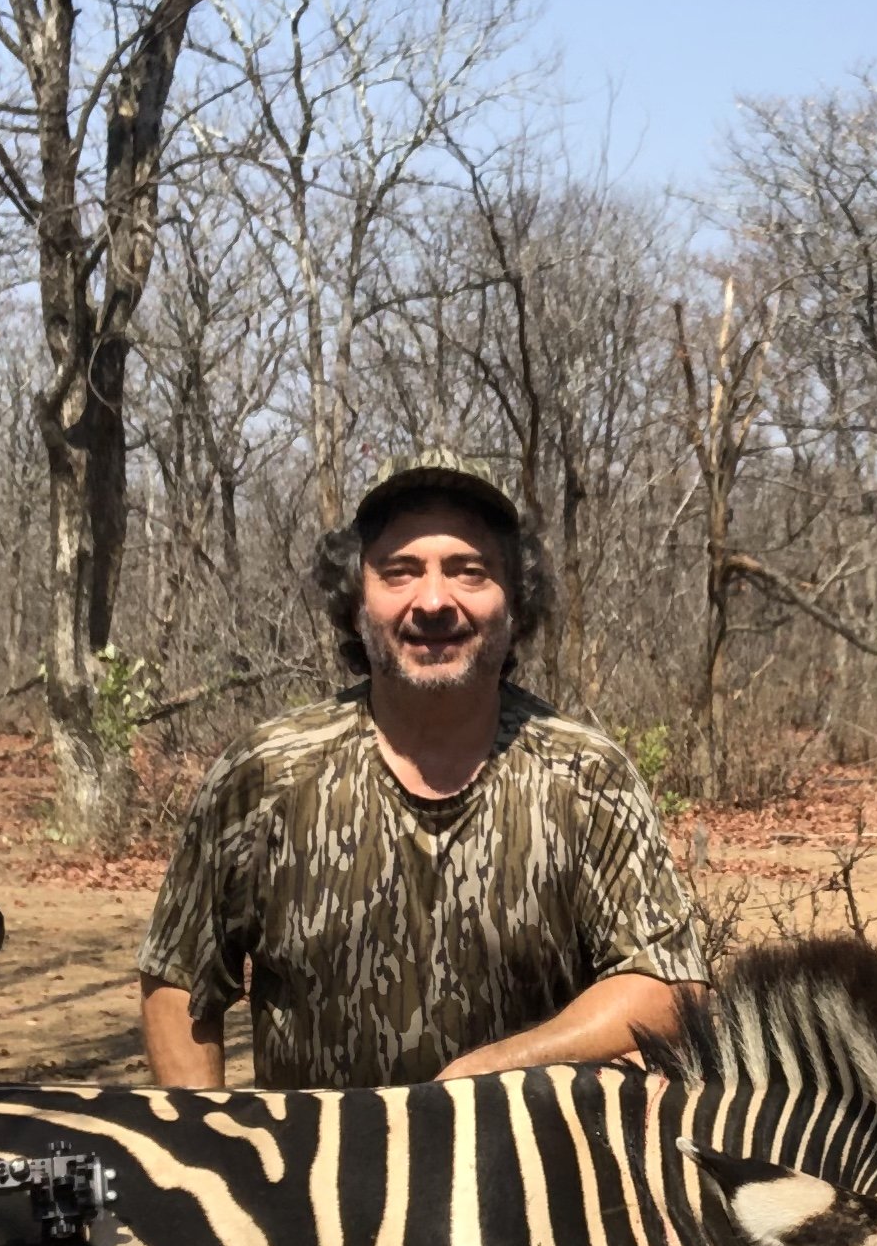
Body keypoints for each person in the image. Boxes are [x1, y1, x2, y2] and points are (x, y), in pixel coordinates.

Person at [138, 459, 707, 1089]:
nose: (434, 601)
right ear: (357, 601)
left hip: (527, 1178)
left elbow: (668, 988)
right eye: (400, 572)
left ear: (514, 600)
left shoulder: (588, 775)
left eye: (469, 572)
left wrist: (489, 1073)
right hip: (312, 1179)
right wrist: (217, 1152)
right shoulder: (265, 773)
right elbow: (178, 978)